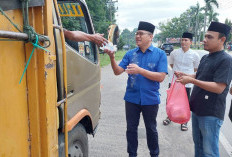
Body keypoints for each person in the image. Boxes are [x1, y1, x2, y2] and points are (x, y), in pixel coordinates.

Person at [104, 21, 168, 157]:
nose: (137, 36)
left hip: (150, 99)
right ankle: (132, 154)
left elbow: (161, 77)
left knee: (151, 129)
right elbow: (117, 71)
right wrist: (112, 57)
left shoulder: (160, 54)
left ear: (150, 37)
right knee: (131, 129)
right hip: (132, 98)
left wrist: (140, 70)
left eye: (141, 34)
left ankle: (154, 154)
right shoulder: (130, 54)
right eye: (136, 34)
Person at [176, 21, 232, 156]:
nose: (204, 40)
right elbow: (201, 75)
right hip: (196, 109)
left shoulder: (226, 60)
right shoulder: (206, 57)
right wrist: (187, 75)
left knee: (209, 152)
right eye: (205, 36)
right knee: (199, 147)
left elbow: (219, 87)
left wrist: (192, 80)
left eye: (209, 37)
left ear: (222, 40)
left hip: (211, 113)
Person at [163, 32, 200, 131]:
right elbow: (171, 65)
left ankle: (184, 121)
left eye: (186, 40)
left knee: (185, 102)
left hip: (187, 83)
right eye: (182, 40)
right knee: (170, 100)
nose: (183, 42)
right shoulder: (174, 53)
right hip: (174, 81)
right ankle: (169, 116)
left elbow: (196, 69)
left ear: (191, 42)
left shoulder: (195, 55)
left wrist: (186, 75)